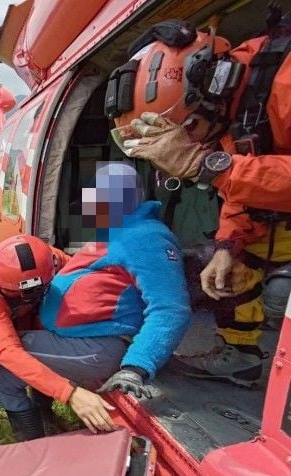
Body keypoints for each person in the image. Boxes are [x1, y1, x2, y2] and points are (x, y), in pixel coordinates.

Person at [0, 163, 192, 445]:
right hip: (77, 340)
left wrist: (136, 367)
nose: (88, 206)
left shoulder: (147, 239)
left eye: (96, 199)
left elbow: (170, 309)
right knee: (6, 380)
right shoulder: (120, 233)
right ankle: (34, 447)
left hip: (101, 346)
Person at [110, 14, 291, 387]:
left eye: (185, 132)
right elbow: (245, 187)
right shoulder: (234, 107)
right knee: (227, 263)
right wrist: (229, 243)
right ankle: (240, 355)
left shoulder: (284, 83)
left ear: (203, 99)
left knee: (280, 293)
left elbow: (235, 171)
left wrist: (204, 165)